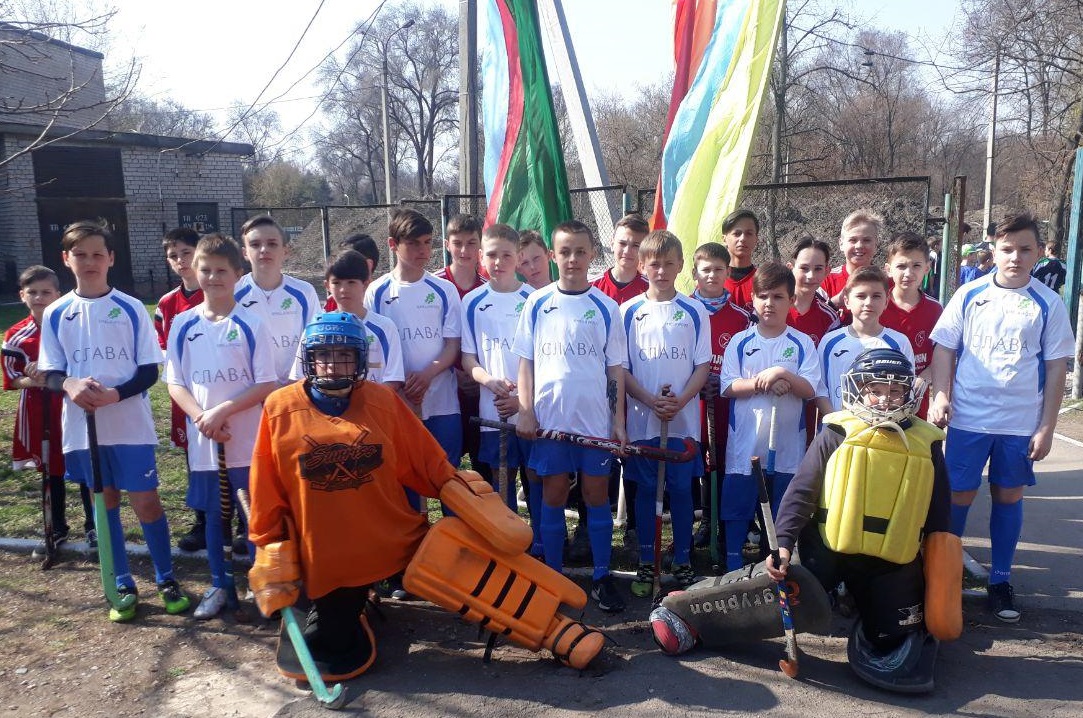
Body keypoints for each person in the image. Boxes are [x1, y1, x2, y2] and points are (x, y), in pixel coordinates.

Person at [247, 313, 604, 684]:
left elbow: (429, 463)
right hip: (330, 558)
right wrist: (270, 547)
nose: (333, 365)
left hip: (393, 539)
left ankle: (555, 630)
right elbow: (266, 487)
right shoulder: (279, 408)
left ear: (360, 359)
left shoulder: (381, 401)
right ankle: (352, 603)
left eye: (344, 355)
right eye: (324, 355)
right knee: (331, 645)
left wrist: (472, 502)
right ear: (309, 358)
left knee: (468, 570)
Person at [766, 348, 961, 694]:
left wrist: (939, 580)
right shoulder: (836, 432)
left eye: (895, 390)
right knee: (782, 603)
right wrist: (782, 545)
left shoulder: (927, 443)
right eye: (876, 390)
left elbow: (939, 513)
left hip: (891, 562)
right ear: (858, 389)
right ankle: (835, 593)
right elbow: (802, 492)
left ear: (908, 392)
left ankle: (865, 603)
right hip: (827, 552)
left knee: (892, 635)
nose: (886, 399)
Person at [39, 220, 190, 622]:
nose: (89, 261)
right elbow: (51, 372)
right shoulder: (55, 312)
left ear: (110, 258)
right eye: (80, 254)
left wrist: (115, 395)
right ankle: (120, 580)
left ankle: (166, 577)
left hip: (129, 424)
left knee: (146, 502)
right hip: (82, 428)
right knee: (104, 503)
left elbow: (149, 371)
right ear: (66, 259)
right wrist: (69, 383)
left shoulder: (131, 307)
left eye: (97, 254)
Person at [929, 211, 1075, 623]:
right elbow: (944, 348)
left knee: (1008, 496)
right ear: (992, 251)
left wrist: (1047, 427)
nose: (1015, 257)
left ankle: (1000, 581)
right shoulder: (969, 294)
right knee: (958, 496)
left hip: (1019, 423)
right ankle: (944, 577)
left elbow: (1055, 368)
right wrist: (941, 395)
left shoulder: (1048, 304)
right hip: (969, 419)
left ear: (1039, 252)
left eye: (1024, 249)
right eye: (1007, 249)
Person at [514, 220, 628, 612]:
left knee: (596, 496)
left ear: (592, 254)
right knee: (553, 493)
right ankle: (554, 577)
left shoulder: (606, 307)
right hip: (550, 423)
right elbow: (526, 363)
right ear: (553, 255)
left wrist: (618, 422)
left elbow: (615, 369)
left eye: (580, 251)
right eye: (565, 252)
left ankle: (601, 576)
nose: (573, 259)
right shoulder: (536, 303)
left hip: (594, 423)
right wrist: (525, 411)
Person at [164, 234, 277, 619]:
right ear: (195, 272)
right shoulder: (183, 324)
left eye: (221, 271)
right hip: (205, 442)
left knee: (254, 516)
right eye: (206, 270)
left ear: (237, 273)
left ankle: (262, 584)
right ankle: (219, 583)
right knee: (214, 515)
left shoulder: (251, 323)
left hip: (247, 441)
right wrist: (202, 417)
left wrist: (223, 411)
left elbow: (265, 383)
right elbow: (175, 382)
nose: (213, 277)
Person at [620, 230, 710, 595]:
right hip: (643, 421)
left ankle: (683, 559)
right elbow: (622, 369)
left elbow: (702, 366)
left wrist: (681, 400)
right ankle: (647, 560)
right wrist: (648, 400)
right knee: (645, 490)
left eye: (668, 264)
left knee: (681, 490)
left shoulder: (695, 310)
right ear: (642, 266)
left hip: (682, 421)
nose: (661, 271)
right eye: (654, 264)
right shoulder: (628, 312)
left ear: (681, 266)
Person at [719, 262, 820, 571]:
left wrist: (782, 373)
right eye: (763, 296)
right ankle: (733, 565)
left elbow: (809, 389)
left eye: (778, 297)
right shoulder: (740, 342)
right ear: (752, 299)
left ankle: (774, 566)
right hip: (746, 445)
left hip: (788, 448)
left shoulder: (801, 343)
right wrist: (762, 382)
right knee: (738, 508)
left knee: (781, 512)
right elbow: (728, 386)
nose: (769, 303)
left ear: (791, 300)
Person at [3, 266, 94, 557]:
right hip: (38, 409)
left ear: (58, 294)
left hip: (71, 403)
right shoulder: (16, 335)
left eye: (46, 292)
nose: (39, 297)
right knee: (51, 467)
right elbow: (11, 379)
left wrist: (57, 374)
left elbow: (85, 362)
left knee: (83, 462)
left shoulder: (73, 325)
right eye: (32, 292)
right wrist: (34, 379)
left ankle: (94, 526)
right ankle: (56, 527)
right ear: (22, 295)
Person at [365, 209, 463, 469]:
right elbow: (374, 349)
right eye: (413, 243)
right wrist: (398, 386)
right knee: (406, 475)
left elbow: (452, 345)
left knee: (446, 474)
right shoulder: (376, 292)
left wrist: (427, 375)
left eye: (427, 242)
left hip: (442, 400)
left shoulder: (444, 289)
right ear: (392, 244)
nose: (423, 250)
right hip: (398, 401)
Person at [460, 224, 538, 544]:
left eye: (506, 255)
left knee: (535, 476)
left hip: (531, 408)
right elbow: (468, 359)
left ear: (518, 257)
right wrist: (490, 381)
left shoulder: (534, 299)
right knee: (501, 478)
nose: (499, 262)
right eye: (491, 255)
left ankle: (541, 542)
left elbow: (543, 360)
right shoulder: (472, 301)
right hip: (492, 408)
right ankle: (509, 541)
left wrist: (523, 398)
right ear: (481, 257)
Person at [589, 213, 649, 551]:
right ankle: (591, 528)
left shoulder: (652, 289)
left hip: (638, 395)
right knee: (598, 465)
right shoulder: (594, 289)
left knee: (636, 464)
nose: (628, 251)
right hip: (600, 395)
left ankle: (636, 530)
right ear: (611, 243)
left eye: (636, 245)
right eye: (623, 243)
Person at [688, 242, 752, 551]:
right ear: (694, 273)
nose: (712, 275)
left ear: (727, 272)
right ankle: (706, 521)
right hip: (693, 402)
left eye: (718, 269)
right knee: (700, 461)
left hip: (727, 404)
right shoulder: (685, 309)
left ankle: (726, 522)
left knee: (725, 462)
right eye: (706, 269)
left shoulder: (742, 317)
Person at [153, 227, 207, 552]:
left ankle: (241, 523)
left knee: (235, 459)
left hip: (221, 386)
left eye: (186, 253)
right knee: (195, 459)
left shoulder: (221, 292)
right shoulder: (166, 303)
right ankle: (203, 522)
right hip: (185, 395)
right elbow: (161, 349)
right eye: (173, 256)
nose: (181, 260)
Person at [434, 214, 492, 494]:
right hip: (444, 390)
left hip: (480, 391)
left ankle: (486, 517)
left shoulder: (488, 288)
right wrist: (452, 372)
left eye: (471, 243)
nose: (464, 250)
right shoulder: (434, 286)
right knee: (446, 468)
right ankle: (450, 518)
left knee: (484, 467)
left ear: (480, 246)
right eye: (458, 243)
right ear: (447, 244)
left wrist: (478, 375)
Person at [299, 249, 404, 391]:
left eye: (351, 282)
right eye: (336, 283)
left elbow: (394, 379)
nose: (343, 289)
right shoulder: (315, 328)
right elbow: (299, 378)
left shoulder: (384, 327)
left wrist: (367, 401)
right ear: (327, 286)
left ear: (366, 284)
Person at [234, 215, 320, 385]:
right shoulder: (233, 293)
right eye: (255, 244)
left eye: (272, 244)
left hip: (295, 388)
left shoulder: (304, 292)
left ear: (285, 251)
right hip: (250, 392)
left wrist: (295, 382)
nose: (264, 249)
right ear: (245, 253)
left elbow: (314, 340)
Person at [816, 267, 914, 415]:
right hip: (837, 427)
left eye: (876, 296)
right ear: (847, 301)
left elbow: (907, 391)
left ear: (886, 301)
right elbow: (820, 391)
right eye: (861, 296)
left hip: (885, 427)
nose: (868, 302)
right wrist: (836, 423)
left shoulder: (899, 342)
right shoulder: (829, 342)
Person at [880, 232, 942, 420]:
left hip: (916, 404)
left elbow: (942, 356)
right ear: (888, 269)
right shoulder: (877, 305)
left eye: (916, 265)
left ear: (927, 268)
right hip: (878, 399)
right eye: (901, 266)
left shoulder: (935, 310)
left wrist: (924, 378)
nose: (908, 273)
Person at [787, 236, 841, 446]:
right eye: (804, 268)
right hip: (771, 395)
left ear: (827, 271)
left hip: (810, 402)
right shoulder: (772, 309)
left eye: (818, 269)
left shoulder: (829, 317)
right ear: (791, 268)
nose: (810, 276)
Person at [820, 209, 884, 314]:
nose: (859, 246)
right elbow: (813, 318)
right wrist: (834, 303)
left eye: (866, 240)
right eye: (853, 240)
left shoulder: (886, 282)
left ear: (876, 244)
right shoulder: (826, 280)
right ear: (841, 244)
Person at [323, 233, 381, 311]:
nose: (343, 289)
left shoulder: (384, 296)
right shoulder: (333, 303)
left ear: (368, 264)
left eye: (351, 260)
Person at [720, 209, 760, 310]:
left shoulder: (764, 280)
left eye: (749, 233)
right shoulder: (712, 279)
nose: (742, 239)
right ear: (724, 239)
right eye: (737, 233)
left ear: (756, 239)